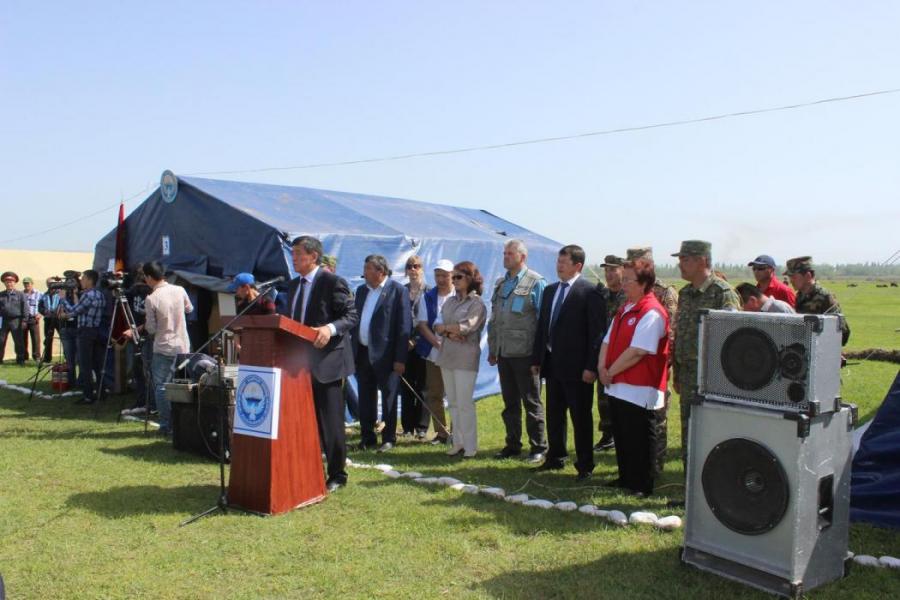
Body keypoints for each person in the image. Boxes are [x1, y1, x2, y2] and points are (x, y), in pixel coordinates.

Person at [279, 236, 358, 492]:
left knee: (330, 421)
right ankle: (308, 468)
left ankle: (337, 474)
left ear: (313, 256)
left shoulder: (332, 282)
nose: (293, 258)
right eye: (292, 253)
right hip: (298, 364)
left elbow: (351, 316)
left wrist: (329, 328)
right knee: (304, 420)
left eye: (298, 254)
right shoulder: (293, 285)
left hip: (327, 363)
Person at [531, 245, 606, 480]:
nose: (559, 266)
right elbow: (542, 327)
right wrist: (537, 358)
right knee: (554, 414)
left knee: (580, 417)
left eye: (564, 262)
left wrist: (591, 367)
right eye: (558, 261)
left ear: (578, 266)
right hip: (553, 364)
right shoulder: (550, 291)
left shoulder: (589, 292)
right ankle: (556, 456)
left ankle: (585, 464)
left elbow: (597, 334)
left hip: (578, 368)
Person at [598, 258, 670, 497]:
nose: (624, 283)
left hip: (640, 386)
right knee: (622, 433)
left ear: (643, 283)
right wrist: (601, 367)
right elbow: (607, 340)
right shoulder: (626, 308)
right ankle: (626, 477)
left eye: (628, 280)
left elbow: (638, 351)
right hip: (618, 385)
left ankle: (642, 483)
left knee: (639, 435)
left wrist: (610, 371)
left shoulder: (652, 312)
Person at [671, 241, 740, 488]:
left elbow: (733, 340)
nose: (680, 264)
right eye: (680, 259)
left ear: (702, 260)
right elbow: (681, 334)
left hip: (712, 379)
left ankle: (714, 491)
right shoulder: (686, 293)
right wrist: (677, 371)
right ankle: (691, 491)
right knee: (689, 434)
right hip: (688, 376)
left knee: (711, 437)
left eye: (685, 259)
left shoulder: (722, 293)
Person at [488, 239, 548, 463]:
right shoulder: (501, 284)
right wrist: (493, 348)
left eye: (510, 254)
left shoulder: (536, 282)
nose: (505, 257)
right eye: (504, 253)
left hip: (525, 353)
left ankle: (538, 446)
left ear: (522, 257)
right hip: (504, 352)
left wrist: (539, 355)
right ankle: (512, 444)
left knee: (531, 401)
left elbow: (543, 322)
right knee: (510, 402)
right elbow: (495, 320)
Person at [625, 247, 678, 477]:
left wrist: (666, 366)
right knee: (632, 420)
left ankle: (654, 466)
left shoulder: (665, 292)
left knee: (656, 419)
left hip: (654, 368)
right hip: (630, 366)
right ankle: (634, 466)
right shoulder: (628, 289)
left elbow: (671, 333)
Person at [352, 255, 411, 452]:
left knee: (389, 398)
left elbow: (404, 326)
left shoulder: (398, 291)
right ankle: (367, 436)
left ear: (381, 271)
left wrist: (400, 359)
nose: (364, 273)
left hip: (387, 355)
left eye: (368, 269)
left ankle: (388, 437)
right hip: (363, 352)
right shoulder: (362, 291)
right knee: (365, 397)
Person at [434, 261, 487, 458]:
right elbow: (437, 325)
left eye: (458, 277)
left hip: (465, 358)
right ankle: (458, 443)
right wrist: (449, 332)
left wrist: (447, 329)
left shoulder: (477, 303)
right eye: (453, 277)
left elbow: (467, 327)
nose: (454, 280)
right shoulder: (450, 302)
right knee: (453, 402)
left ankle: (470, 446)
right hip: (447, 356)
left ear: (470, 279)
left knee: (464, 403)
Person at [142, 261, 193, 435]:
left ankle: (166, 425)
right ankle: (183, 424)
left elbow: (151, 328)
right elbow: (189, 309)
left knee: (162, 387)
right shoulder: (180, 290)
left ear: (149, 277)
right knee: (182, 385)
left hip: (163, 347)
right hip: (183, 346)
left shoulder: (151, 298)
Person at [415, 259, 455, 444]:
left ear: (452, 275)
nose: (440, 279)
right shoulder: (428, 297)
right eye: (438, 275)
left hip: (456, 353)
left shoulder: (459, 295)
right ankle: (441, 432)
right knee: (434, 394)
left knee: (455, 394)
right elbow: (423, 325)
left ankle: (457, 432)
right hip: (434, 353)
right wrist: (437, 344)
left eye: (444, 275)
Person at [593, 255, 625, 452]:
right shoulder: (602, 295)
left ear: (623, 270)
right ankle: (607, 435)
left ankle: (621, 435)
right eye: (606, 270)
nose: (609, 274)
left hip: (623, 356)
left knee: (621, 399)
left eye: (613, 269)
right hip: (603, 355)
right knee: (603, 398)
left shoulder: (628, 295)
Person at [61, 270, 107, 404]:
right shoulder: (100, 294)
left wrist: (63, 299)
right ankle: (101, 392)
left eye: (83, 278)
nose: (81, 281)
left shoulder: (88, 295)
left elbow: (73, 311)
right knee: (97, 364)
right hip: (96, 331)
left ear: (90, 280)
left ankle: (88, 395)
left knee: (85, 364)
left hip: (85, 332)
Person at [784, 256, 850, 345]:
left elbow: (843, 334)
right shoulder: (799, 296)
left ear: (808, 276)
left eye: (793, 276)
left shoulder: (825, 297)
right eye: (790, 277)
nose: (791, 280)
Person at [400, 255, 431, 439]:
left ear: (422, 269)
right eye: (409, 266)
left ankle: (422, 427)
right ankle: (407, 427)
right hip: (404, 346)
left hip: (424, 344)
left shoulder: (429, 292)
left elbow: (431, 320)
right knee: (406, 386)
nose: (413, 269)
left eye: (416, 266)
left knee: (423, 387)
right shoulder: (401, 291)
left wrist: (416, 340)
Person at [121, 265, 154, 416]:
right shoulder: (134, 291)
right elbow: (122, 297)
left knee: (146, 370)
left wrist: (136, 330)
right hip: (136, 334)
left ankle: (151, 403)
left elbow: (151, 320)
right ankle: (142, 401)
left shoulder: (152, 293)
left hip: (147, 335)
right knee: (136, 369)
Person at [0, 271, 27, 365]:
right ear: (4, 283)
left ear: (14, 283)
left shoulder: (20, 294)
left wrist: (24, 320)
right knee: (1, 340)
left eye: (11, 282)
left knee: (18, 341)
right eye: (7, 282)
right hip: (3, 320)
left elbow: (25, 308)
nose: (9, 284)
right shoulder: (1, 294)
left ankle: (20, 360)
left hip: (16, 320)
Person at [21, 277, 42, 362]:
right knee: (23, 338)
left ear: (32, 284)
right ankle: (24, 357)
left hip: (34, 318)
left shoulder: (39, 293)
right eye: (25, 283)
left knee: (36, 338)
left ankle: (37, 357)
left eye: (28, 283)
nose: (26, 285)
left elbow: (44, 305)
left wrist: (40, 313)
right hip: (23, 319)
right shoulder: (21, 294)